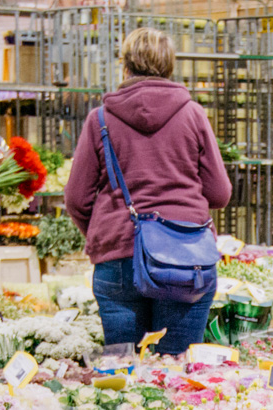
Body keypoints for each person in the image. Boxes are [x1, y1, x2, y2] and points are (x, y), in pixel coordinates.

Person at [65, 28, 231, 356]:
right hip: (187, 259)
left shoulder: (99, 119)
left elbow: (75, 198)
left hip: (119, 258)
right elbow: (220, 193)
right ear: (170, 66)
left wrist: (106, 232)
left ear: (124, 66)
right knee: (177, 370)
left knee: (124, 374)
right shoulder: (193, 114)